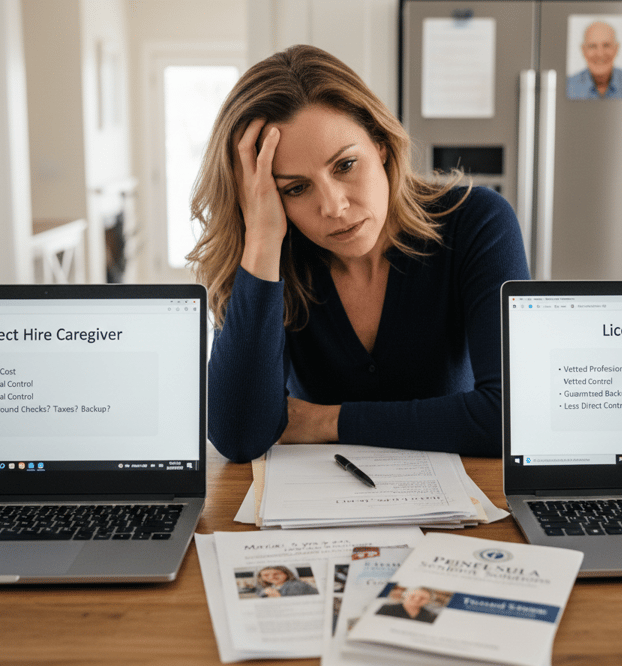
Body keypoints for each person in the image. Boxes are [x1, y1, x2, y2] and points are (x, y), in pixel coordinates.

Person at [188, 45, 529, 464]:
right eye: (295, 188)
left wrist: (323, 422)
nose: (333, 207)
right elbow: (240, 436)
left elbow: (511, 418)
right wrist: (260, 239)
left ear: (381, 144)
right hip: (311, 517)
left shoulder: (477, 222)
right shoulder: (274, 253)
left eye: (346, 165)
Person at [567, 21, 622, 100]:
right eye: (593, 46)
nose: (600, 54)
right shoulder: (568, 86)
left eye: (606, 45)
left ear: (616, 49)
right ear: (583, 50)